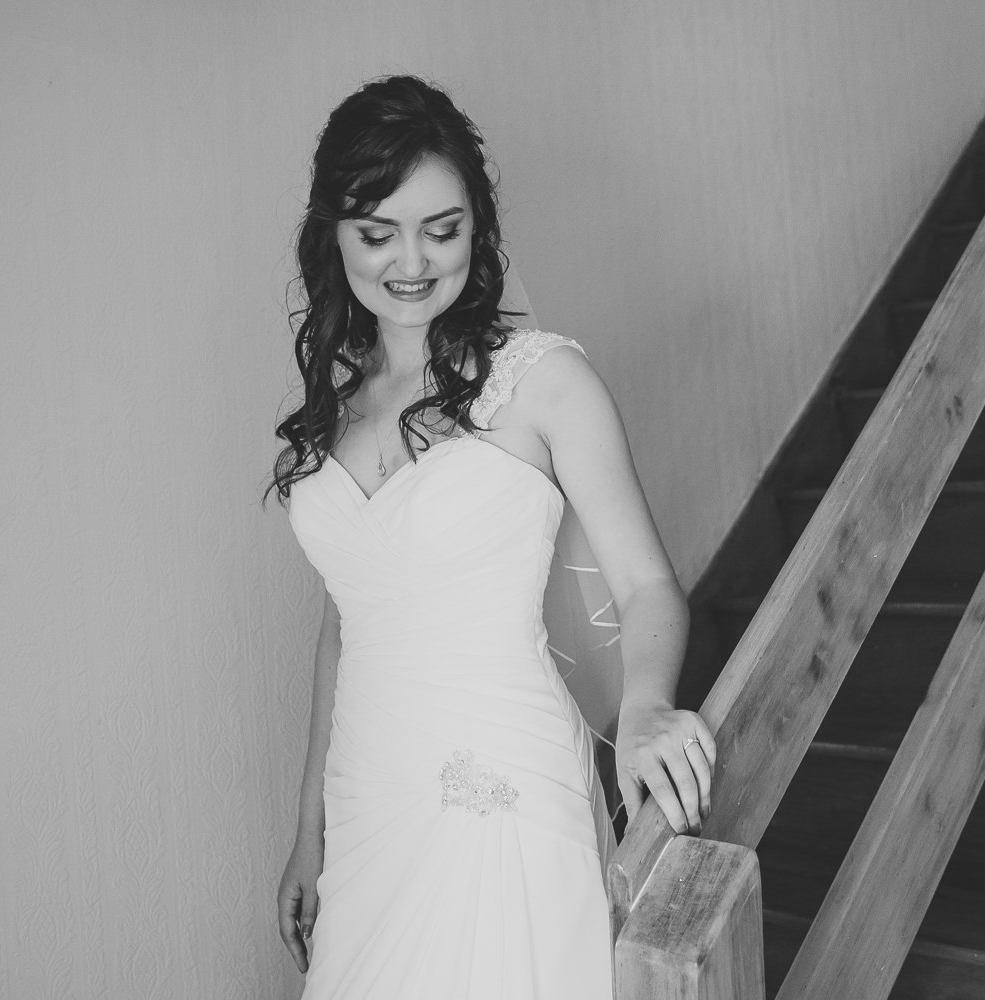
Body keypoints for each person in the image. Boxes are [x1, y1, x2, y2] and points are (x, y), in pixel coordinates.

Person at [268, 75, 714, 999]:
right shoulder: (331, 415)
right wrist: (307, 830)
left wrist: (643, 709)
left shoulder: (543, 383)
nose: (413, 262)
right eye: (376, 232)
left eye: (444, 227)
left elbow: (645, 587)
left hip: (503, 781)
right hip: (365, 802)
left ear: (479, 224)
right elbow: (342, 630)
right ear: (333, 235)